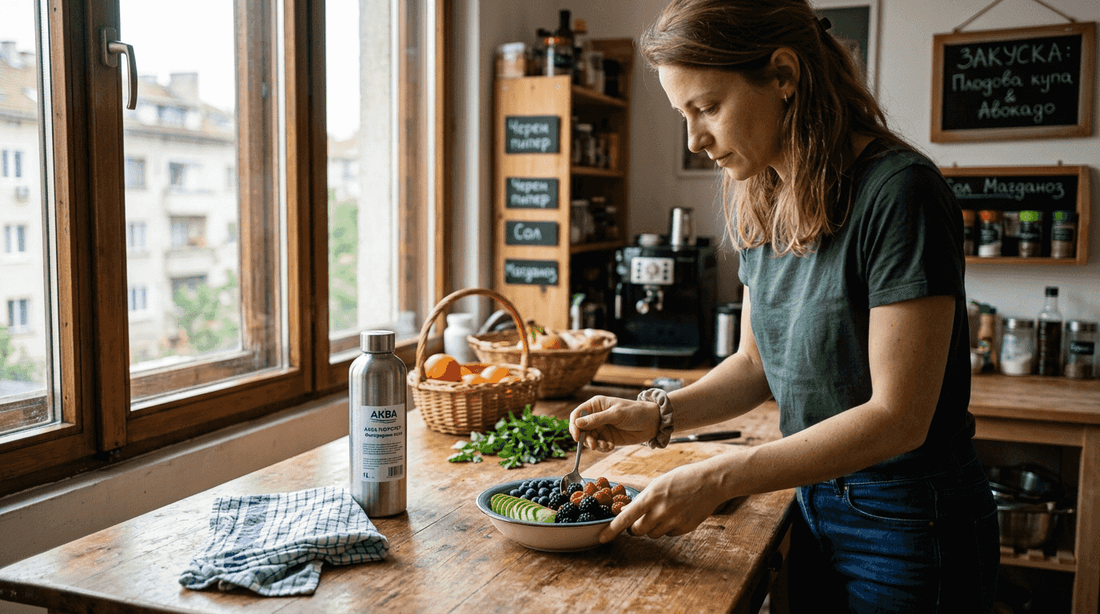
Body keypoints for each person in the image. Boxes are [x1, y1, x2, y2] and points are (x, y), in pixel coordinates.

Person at [567, 0, 999, 611]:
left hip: (910, 522)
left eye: (708, 108)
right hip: (809, 500)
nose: (695, 141)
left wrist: (720, 476)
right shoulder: (759, 192)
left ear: (783, 75)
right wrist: (658, 415)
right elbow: (755, 365)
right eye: (683, 115)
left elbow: (900, 416)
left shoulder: (900, 193)